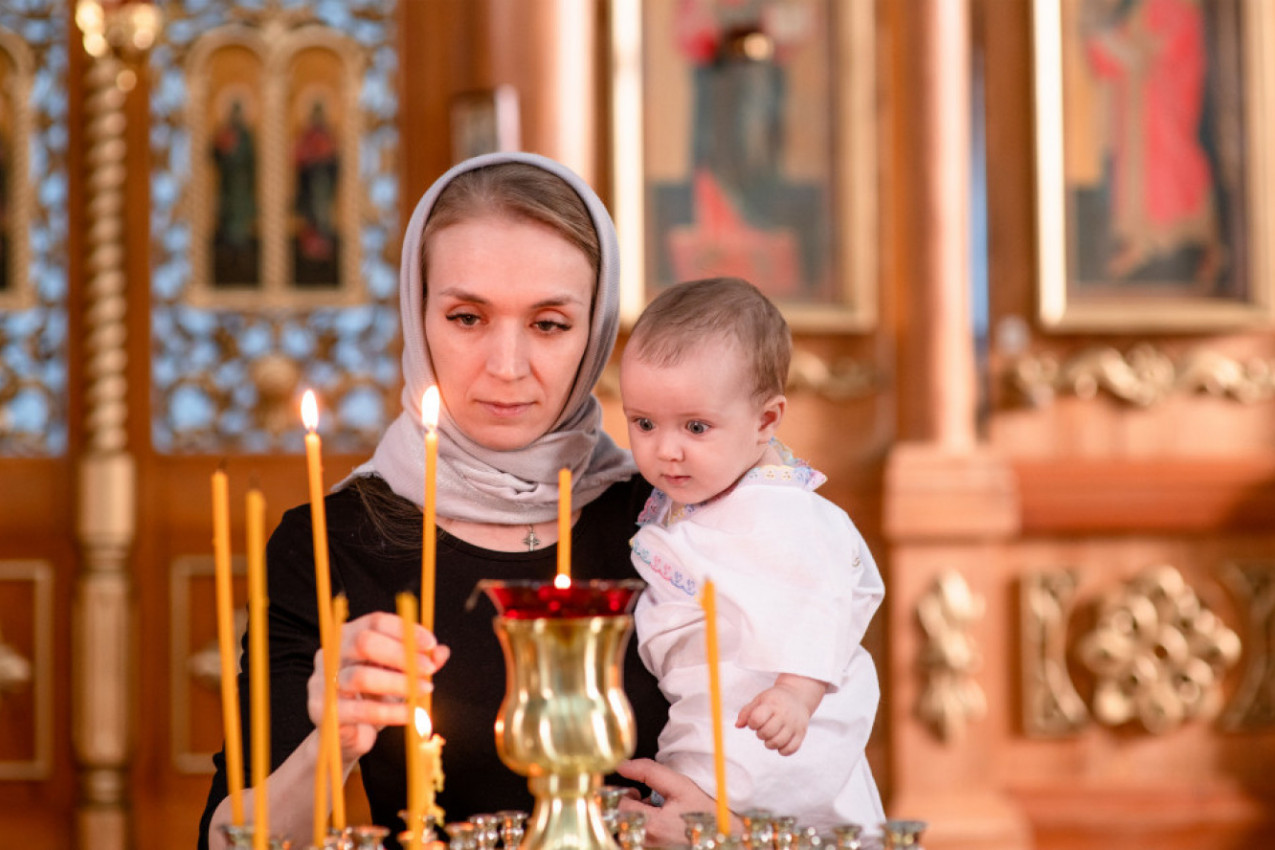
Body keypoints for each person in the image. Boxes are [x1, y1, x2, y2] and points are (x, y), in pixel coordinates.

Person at [199, 152, 713, 850]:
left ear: (595, 330)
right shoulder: (331, 543)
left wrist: (725, 834)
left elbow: (806, 764)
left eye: (549, 324)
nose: (506, 367)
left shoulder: (682, 517)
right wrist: (335, 740)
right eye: (468, 318)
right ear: (419, 315)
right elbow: (226, 840)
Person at [617, 277, 886, 831]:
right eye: (643, 423)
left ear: (765, 422)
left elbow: (824, 601)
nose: (665, 449)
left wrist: (795, 692)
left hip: (776, 725)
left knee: (784, 812)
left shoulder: (784, 512)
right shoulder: (683, 497)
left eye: (696, 426)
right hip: (703, 722)